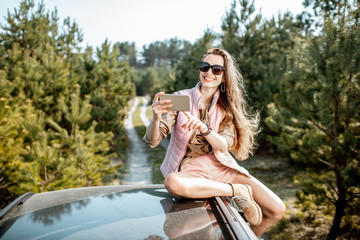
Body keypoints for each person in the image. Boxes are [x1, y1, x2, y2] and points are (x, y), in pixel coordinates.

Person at [143, 47, 285, 238]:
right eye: (205, 67)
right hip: (193, 169)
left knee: (277, 210)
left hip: (221, 166)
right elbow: (153, 140)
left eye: (216, 70)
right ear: (200, 70)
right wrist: (155, 118)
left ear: (224, 77)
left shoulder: (226, 109)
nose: (209, 73)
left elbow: (224, 145)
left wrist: (204, 128)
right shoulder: (181, 98)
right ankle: (236, 191)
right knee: (171, 182)